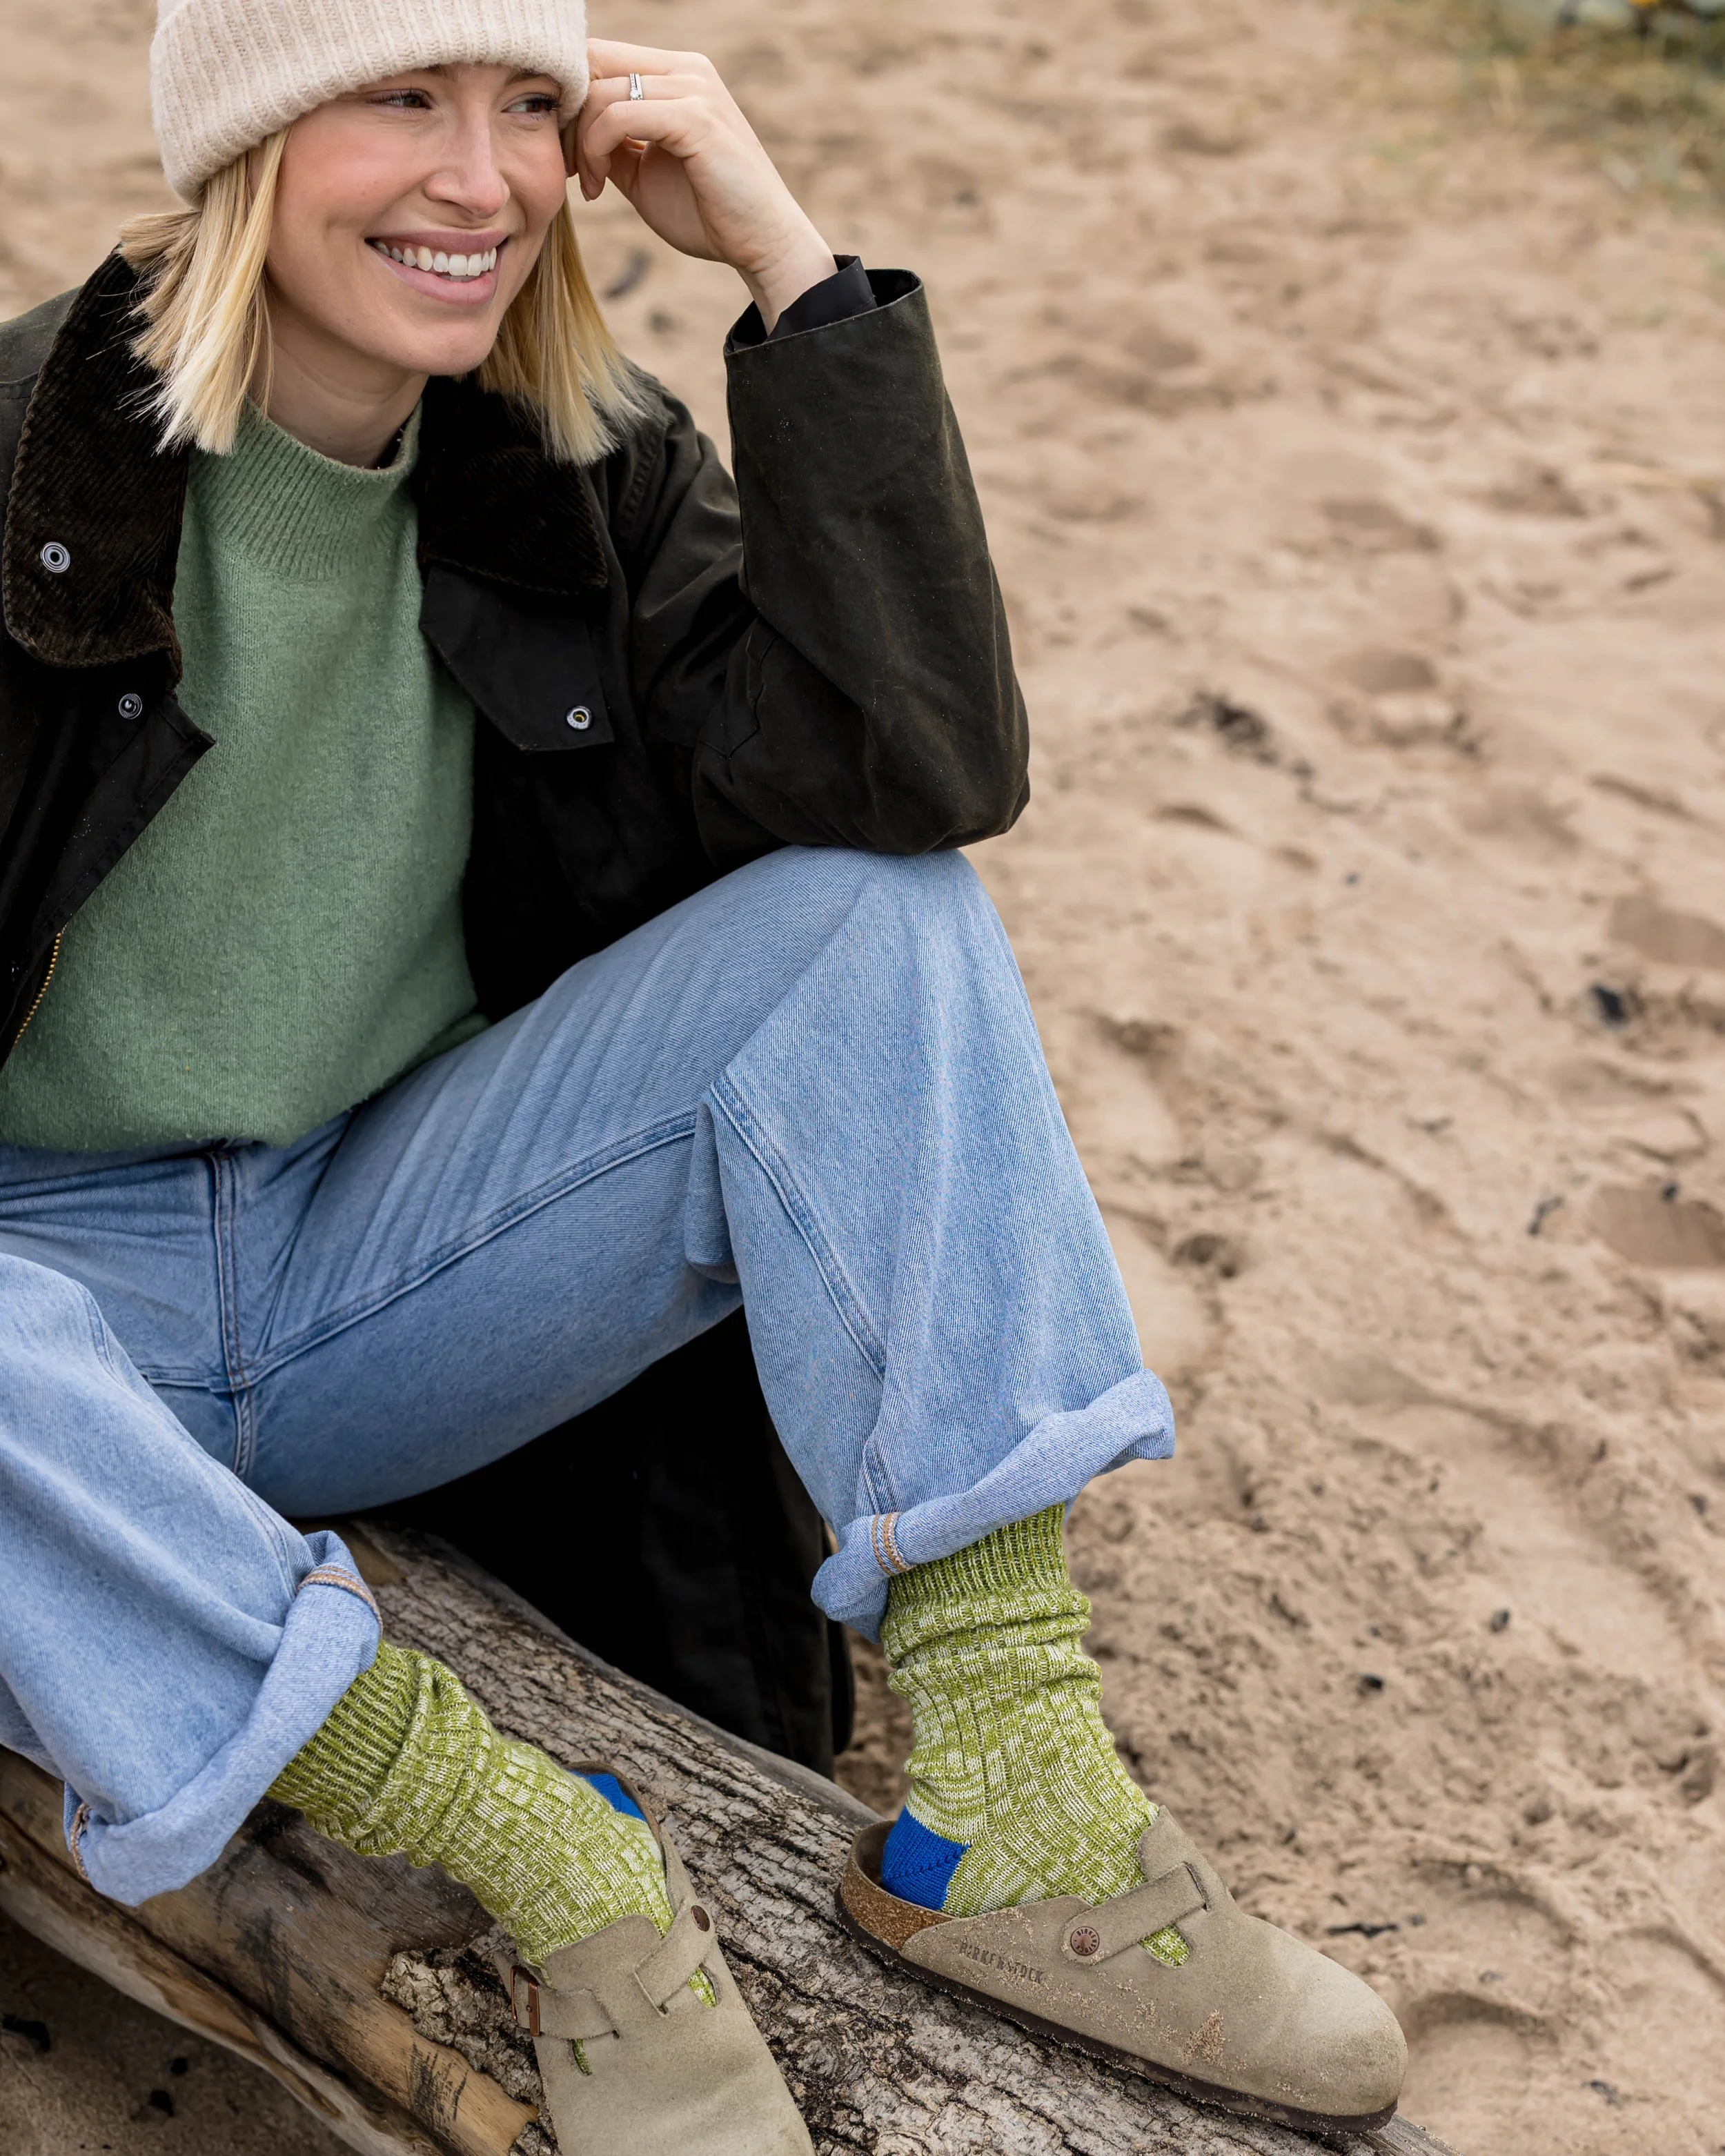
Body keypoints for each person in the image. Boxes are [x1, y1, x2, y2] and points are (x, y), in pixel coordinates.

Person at [0, 0, 1408, 2146]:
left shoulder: (566, 461)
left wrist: (792, 273)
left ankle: (1018, 1793)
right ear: (251, 139)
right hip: (42, 1335)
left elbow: (907, 770)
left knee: (869, 917)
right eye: (401, 98)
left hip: (375, 1257)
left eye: (528, 106)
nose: (479, 178)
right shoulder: (25, 470)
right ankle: (532, 1846)